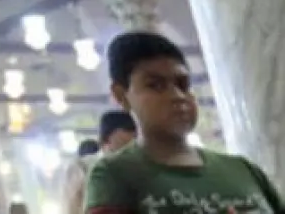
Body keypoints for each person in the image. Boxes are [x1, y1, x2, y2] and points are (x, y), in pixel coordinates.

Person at [84, 32, 284, 213]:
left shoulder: (243, 170)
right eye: (155, 85)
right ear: (121, 96)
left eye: (183, 84)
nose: (177, 96)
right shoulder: (115, 175)